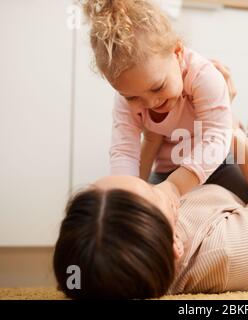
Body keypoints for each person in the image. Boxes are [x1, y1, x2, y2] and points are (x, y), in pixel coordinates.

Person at [53, 93, 248, 299]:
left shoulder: (119, 239)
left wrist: (153, 136)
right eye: (151, 190)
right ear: (175, 244)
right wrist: (227, 129)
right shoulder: (227, 251)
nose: (153, 183)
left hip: (220, 202)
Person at [83, 0, 234, 200]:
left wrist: (174, 187)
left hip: (220, 165)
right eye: (133, 97)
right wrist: (125, 199)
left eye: (157, 87)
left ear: (178, 54)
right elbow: (124, 152)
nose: (150, 102)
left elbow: (217, 136)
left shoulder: (203, 75)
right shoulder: (124, 99)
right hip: (167, 171)